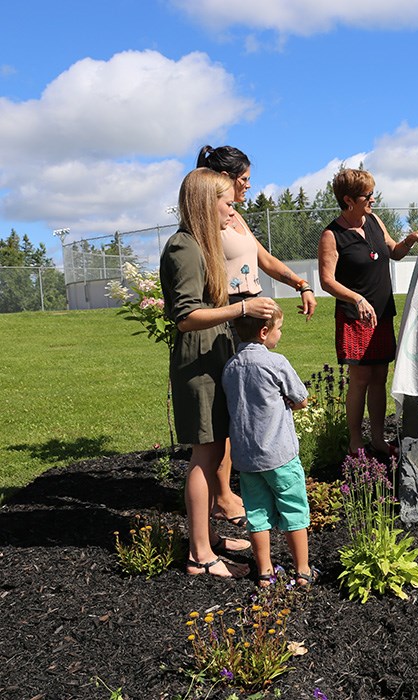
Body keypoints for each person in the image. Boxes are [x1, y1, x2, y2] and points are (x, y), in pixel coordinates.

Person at [160, 168, 278, 578]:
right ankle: (199, 554)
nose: (233, 210)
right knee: (204, 454)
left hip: (215, 352)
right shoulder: (183, 247)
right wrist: (242, 307)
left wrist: (238, 300)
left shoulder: (200, 244)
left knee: (215, 452)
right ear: (206, 203)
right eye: (227, 203)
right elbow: (186, 316)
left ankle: (207, 537)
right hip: (199, 361)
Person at [197, 145, 317, 527]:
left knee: (254, 400)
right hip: (231, 314)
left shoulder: (236, 218)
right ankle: (223, 495)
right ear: (225, 178)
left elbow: (263, 259)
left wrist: (300, 284)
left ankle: (241, 483)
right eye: (244, 179)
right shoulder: (208, 220)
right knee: (233, 405)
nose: (248, 185)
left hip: (252, 312)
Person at [317, 168, 418, 457]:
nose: (373, 200)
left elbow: (394, 252)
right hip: (355, 316)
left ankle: (378, 439)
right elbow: (327, 281)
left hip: (382, 313)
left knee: (380, 376)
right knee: (361, 378)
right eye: (367, 195)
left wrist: (410, 240)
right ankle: (356, 442)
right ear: (348, 200)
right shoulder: (332, 235)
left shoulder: (375, 221)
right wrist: (356, 299)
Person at [223, 306, 317, 587]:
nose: (280, 334)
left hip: (247, 458)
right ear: (264, 332)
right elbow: (301, 399)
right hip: (280, 455)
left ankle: (264, 573)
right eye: (279, 329)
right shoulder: (275, 362)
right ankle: (303, 571)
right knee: (294, 509)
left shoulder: (230, 367)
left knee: (257, 514)